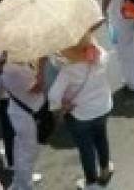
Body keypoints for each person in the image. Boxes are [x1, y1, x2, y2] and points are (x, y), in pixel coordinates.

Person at [48, 35, 113, 190]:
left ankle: (91, 182)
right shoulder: (102, 56)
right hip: (103, 107)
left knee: (86, 148)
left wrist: (62, 105)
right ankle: (105, 169)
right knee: (101, 138)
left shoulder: (68, 70)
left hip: (81, 115)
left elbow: (53, 96)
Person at [0, 59, 46, 190]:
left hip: (19, 113)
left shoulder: (14, 66)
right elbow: (37, 88)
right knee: (28, 152)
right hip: (25, 116)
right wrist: (42, 67)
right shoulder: (13, 70)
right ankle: (25, 185)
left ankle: (19, 181)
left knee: (20, 148)